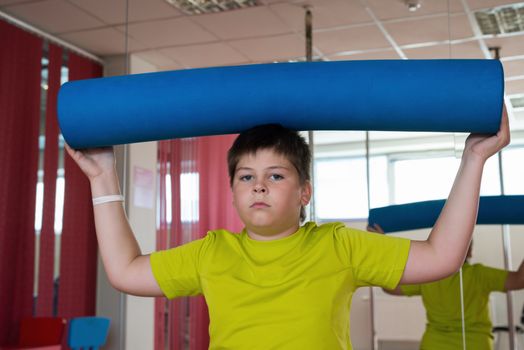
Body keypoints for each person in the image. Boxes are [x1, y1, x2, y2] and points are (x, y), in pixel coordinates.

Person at [65, 107, 509, 350]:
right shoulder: (211, 252)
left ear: (304, 193)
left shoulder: (338, 246)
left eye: (276, 175)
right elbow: (124, 271)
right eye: (246, 177)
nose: (259, 185)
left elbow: (443, 256)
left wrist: (474, 160)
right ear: (234, 192)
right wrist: (103, 179)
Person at [368, 223, 524, 350]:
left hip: (438, 344)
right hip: (473, 344)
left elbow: (390, 287)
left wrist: (385, 247)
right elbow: (519, 280)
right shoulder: (480, 275)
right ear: (470, 252)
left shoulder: (428, 274)